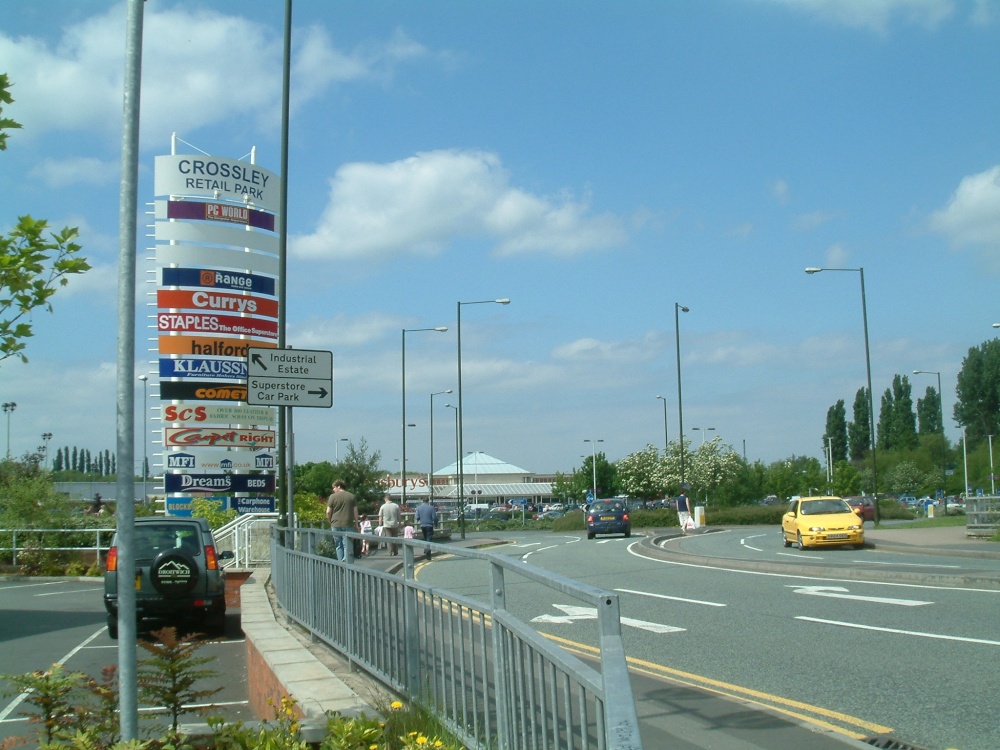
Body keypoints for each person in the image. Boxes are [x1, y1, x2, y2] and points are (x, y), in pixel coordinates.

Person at [325, 479, 359, 561]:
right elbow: (355, 512)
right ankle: (347, 560)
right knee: (347, 544)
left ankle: (340, 562)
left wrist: (330, 521)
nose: (333, 490)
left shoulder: (332, 497)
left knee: (338, 544)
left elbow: (328, 511)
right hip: (348, 523)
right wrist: (356, 524)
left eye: (334, 487)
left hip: (335, 524)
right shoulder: (351, 496)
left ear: (339, 486)